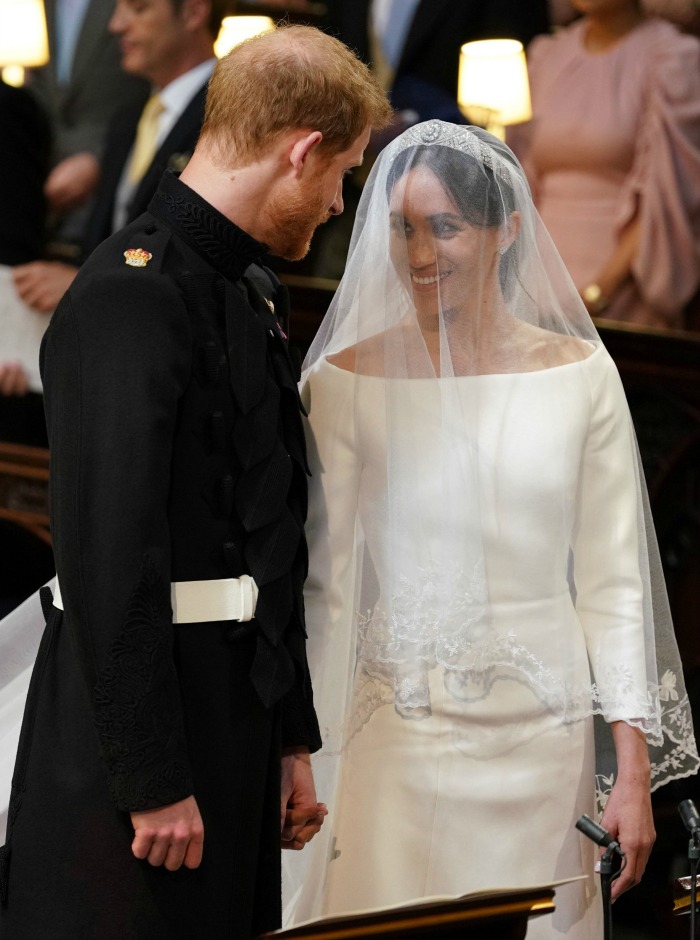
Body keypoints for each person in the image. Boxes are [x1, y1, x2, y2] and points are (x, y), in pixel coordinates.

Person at [0, 24, 392, 940]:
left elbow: (271, 532)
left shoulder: (251, 285)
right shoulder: (126, 295)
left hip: (233, 716)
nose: (338, 204)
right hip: (133, 739)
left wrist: (290, 737)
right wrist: (152, 780)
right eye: (340, 174)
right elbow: (108, 552)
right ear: (299, 152)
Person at [283, 120, 699, 938]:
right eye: (401, 227)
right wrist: (300, 749)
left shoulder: (581, 378)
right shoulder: (340, 383)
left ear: (506, 229)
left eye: (445, 227)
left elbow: (616, 585)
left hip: (538, 748)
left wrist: (632, 774)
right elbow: (323, 584)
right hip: (388, 743)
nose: (419, 253)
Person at [12, 0, 224, 315]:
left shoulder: (231, 116)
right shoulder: (127, 121)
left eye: (138, 8)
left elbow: (210, 264)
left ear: (194, 11)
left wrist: (84, 284)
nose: (116, 25)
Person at [508, 0, 700, 330]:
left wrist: (599, 293)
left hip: (626, 292)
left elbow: (670, 196)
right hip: (536, 285)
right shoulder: (545, 55)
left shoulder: (673, 58)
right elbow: (519, 181)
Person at [26, 0, 149, 253]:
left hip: (117, 186)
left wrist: (103, 160)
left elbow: (150, 94)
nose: (118, 25)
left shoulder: (122, 13)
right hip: (37, 196)